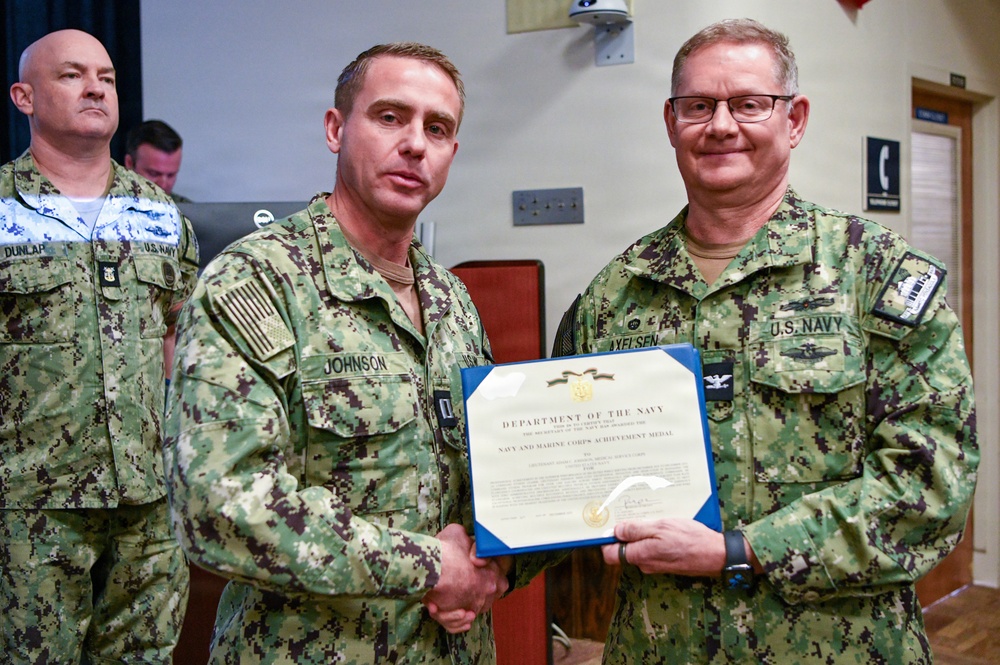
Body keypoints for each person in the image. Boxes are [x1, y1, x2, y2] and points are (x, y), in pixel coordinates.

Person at [553, 18, 978, 664]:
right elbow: (570, 460)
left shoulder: (876, 276)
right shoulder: (614, 294)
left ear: (795, 119)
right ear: (671, 123)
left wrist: (740, 548)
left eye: (749, 103)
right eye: (698, 106)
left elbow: (930, 487)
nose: (721, 125)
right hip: (663, 646)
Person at [163, 42, 522, 663]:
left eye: (437, 129)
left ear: (451, 154)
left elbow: (488, 478)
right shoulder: (256, 283)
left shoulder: (453, 300)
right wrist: (429, 565)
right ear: (336, 129)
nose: (414, 143)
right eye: (390, 117)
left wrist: (499, 567)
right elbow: (217, 507)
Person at [0, 29, 198, 663]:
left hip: (149, 508)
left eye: (107, 78)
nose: (95, 88)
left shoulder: (162, 215)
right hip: (31, 510)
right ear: (24, 96)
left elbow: (180, 338)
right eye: (72, 75)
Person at [124, 118, 191, 202]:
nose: (163, 184)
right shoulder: (106, 208)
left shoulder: (188, 211)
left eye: (171, 175)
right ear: (129, 164)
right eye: (154, 174)